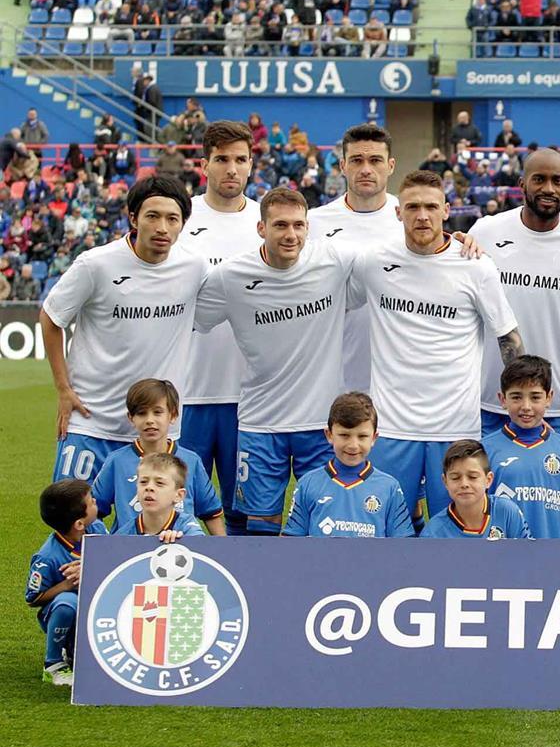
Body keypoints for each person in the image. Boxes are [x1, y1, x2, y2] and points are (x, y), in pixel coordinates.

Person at [350, 169, 522, 532]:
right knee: (383, 530)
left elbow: (509, 339)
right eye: (412, 207)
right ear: (399, 213)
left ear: (447, 210)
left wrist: (517, 403)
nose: (422, 215)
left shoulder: (475, 265)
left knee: (460, 533)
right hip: (394, 427)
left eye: (431, 206)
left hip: (455, 427)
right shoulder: (373, 262)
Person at [194, 187, 356, 535]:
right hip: (261, 422)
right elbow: (189, 319)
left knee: (327, 524)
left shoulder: (334, 261)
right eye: (281, 225)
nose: (291, 235)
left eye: (299, 225)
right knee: (259, 526)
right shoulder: (230, 276)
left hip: (320, 424)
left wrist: (455, 240)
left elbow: (399, 260)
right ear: (261, 229)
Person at [40, 176, 206, 483]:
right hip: (92, 420)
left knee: (151, 526)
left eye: (172, 219)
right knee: (73, 519)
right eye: (152, 216)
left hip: (155, 427)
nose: (162, 228)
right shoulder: (96, 264)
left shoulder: (195, 267)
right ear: (133, 218)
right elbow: (51, 317)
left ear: (183, 223)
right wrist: (63, 389)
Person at [468, 149, 560, 442]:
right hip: (489, 401)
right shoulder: (486, 231)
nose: (548, 188)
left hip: (555, 405)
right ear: (522, 184)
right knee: (480, 487)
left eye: (557, 181)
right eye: (539, 179)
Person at [175, 121, 260, 535]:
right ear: (204, 163)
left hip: (250, 396)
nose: (232, 168)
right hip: (185, 392)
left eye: (240, 160)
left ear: (251, 164)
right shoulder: (179, 218)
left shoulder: (269, 221)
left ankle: (248, 598)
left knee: (241, 514)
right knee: (178, 510)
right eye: (222, 159)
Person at [305, 124, 400, 393]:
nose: (366, 169)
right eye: (357, 160)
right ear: (343, 165)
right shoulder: (313, 223)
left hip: (398, 383)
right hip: (329, 382)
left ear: (390, 165)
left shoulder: (413, 220)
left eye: (375, 160)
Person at [90, 379, 224, 534]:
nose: (149, 420)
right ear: (131, 418)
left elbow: (211, 513)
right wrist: (103, 548)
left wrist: (224, 555)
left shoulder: (191, 461)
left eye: (157, 412)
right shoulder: (117, 461)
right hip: (129, 551)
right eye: (141, 413)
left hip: (180, 548)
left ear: (173, 415)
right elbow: (93, 512)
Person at [282, 392, 414, 538]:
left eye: (362, 436)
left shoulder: (390, 488)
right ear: (329, 435)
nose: (353, 445)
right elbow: (292, 544)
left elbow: (403, 547)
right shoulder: (307, 484)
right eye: (344, 435)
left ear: (374, 438)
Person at [481, 356, 560, 538]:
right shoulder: (486, 449)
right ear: (502, 399)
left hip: (554, 556)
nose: (526, 406)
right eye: (516, 397)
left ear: (549, 398)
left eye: (535, 397)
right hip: (501, 557)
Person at [26, 479, 106, 687]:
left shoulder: (97, 527)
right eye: (91, 502)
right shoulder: (47, 558)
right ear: (79, 524)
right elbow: (33, 599)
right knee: (66, 602)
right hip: (66, 613)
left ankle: (78, 651)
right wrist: (67, 585)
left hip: (97, 607)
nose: (96, 501)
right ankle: (53, 664)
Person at [420, 440, 532, 539]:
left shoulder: (507, 512)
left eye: (472, 477)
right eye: (455, 478)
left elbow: (527, 556)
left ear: (488, 480)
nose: (464, 484)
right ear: (445, 482)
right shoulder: (433, 533)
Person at [112, 452, 205, 537]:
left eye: (159, 483)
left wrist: (180, 541)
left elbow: (201, 547)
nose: (149, 487)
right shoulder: (124, 536)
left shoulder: (187, 527)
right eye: (143, 482)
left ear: (179, 495)